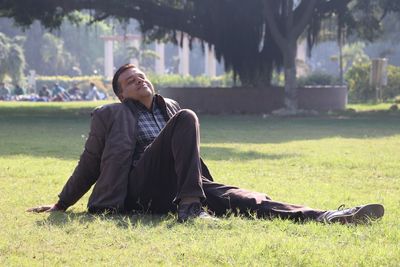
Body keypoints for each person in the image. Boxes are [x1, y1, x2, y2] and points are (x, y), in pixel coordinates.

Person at [28, 63, 385, 224]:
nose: (139, 80)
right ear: (120, 93)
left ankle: (329, 216)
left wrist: (201, 187)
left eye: (141, 75)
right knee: (189, 118)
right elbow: (90, 163)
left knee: (244, 198)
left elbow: (184, 155)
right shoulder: (110, 115)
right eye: (130, 80)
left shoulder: (170, 107)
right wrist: (61, 203)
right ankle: (190, 208)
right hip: (137, 189)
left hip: (179, 186)